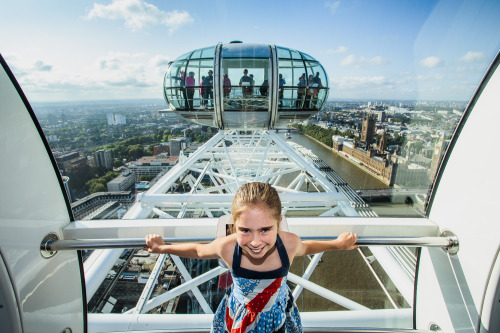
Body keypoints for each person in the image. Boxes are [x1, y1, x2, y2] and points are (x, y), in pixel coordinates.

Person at [145, 182, 358, 333]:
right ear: (233, 226)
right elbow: (199, 251)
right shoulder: (228, 247)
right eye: (245, 230)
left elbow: (307, 247)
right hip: (241, 315)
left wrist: (338, 244)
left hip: (277, 313)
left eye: (265, 230)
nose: (255, 242)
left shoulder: (289, 243)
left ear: (279, 223)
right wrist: (164, 248)